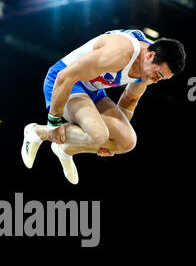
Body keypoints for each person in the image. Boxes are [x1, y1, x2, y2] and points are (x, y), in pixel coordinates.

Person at [21, 29, 186, 184]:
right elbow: (65, 77)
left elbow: (129, 100)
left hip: (93, 91)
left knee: (126, 142)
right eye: (157, 75)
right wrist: (54, 121)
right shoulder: (121, 52)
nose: (155, 80)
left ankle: (66, 149)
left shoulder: (148, 69)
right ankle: (38, 132)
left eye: (162, 78)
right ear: (150, 55)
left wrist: (113, 141)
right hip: (64, 82)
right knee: (99, 135)